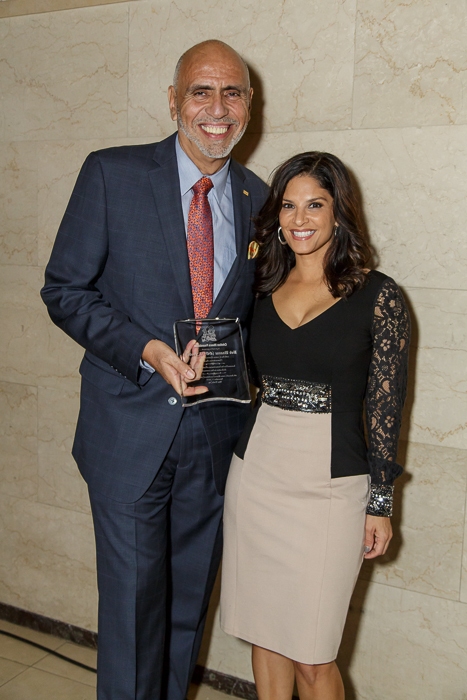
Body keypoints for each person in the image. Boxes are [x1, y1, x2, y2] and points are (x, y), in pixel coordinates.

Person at [41, 40, 268, 700]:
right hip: (129, 430)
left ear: (249, 104)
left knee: (185, 612)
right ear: (173, 101)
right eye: (201, 91)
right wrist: (145, 349)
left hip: (214, 436)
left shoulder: (261, 199)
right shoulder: (111, 173)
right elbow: (65, 290)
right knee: (133, 614)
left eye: (232, 92)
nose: (217, 108)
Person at [220, 152, 410, 700]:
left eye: (315, 205)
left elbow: (385, 410)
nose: (299, 219)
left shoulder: (380, 296)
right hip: (257, 477)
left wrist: (380, 501)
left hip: (332, 487)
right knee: (265, 634)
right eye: (288, 205)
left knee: (313, 655)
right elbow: (239, 373)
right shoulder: (258, 286)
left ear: (338, 212)